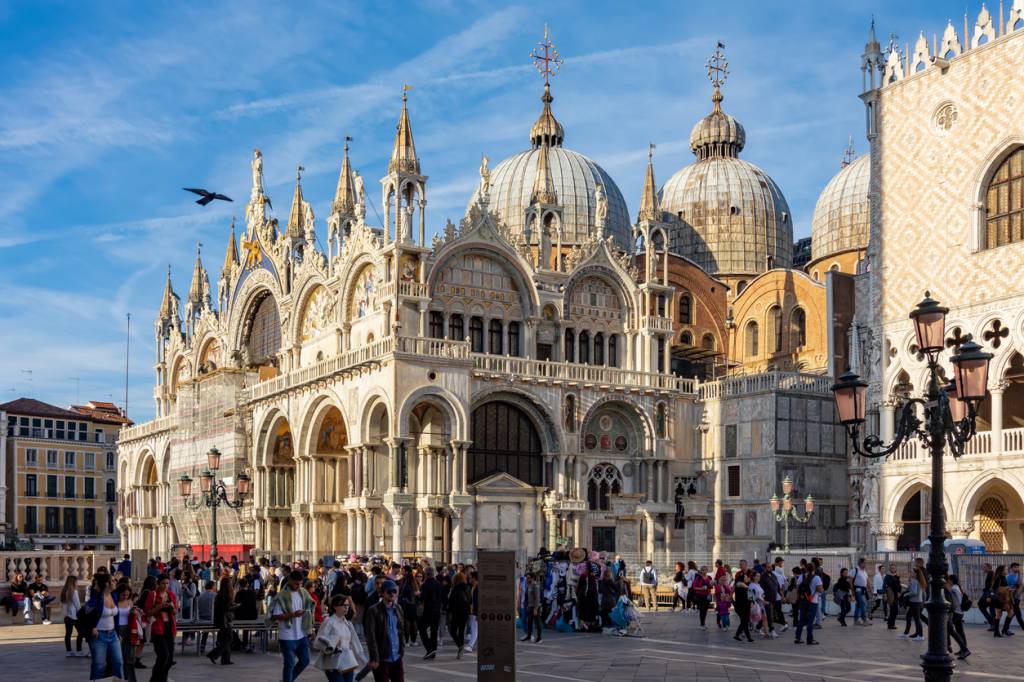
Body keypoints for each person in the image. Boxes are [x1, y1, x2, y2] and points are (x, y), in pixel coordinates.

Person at [269, 570, 316, 682]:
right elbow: (275, 616)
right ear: (290, 580)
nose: (298, 586)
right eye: (296, 583)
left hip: (302, 634)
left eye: (300, 584)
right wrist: (293, 615)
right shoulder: (282, 595)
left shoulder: (303, 592)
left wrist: (311, 629)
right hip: (287, 635)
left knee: (305, 661)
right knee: (289, 664)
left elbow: (309, 611)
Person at [81, 572, 124, 682]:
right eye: (113, 580)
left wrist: (118, 633)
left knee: (118, 662)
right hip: (99, 636)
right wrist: (92, 627)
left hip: (113, 634)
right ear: (106, 584)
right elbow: (83, 614)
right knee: (99, 665)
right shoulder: (96, 598)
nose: (115, 582)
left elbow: (116, 616)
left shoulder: (114, 595)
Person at [314, 595, 366, 682]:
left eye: (347, 605)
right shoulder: (329, 622)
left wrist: (364, 660)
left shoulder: (348, 624)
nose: (346, 607)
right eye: (343, 605)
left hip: (347, 661)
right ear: (335, 606)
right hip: (332, 663)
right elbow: (318, 642)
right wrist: (331, 643)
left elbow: (356, 643)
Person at [364, 579, 406, 681]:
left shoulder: (398, 608)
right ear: (382, 593)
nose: (392, 594)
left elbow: (401, 631)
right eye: (389, 592)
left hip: (396, 656)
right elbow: (371, 636)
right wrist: (374, 657)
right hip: (382, 658)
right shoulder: (373, 610)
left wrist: (402, 649)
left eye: (394, 591)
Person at [144, 573, 178, 682]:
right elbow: (148, 612)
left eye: (167, 583)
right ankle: (155, 679)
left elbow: (175, 612)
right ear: (158, 583)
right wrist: (159, 606)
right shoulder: (152, 595)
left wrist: (172, 607)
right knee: (163, 655)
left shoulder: (171, 595)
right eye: (163, 583)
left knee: (169, 659)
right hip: (157, 628)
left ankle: (162, 678)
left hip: (169, 627)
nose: (165, 586)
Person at [207, 575, 237, 665]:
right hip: (226, 621)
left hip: (220, 620)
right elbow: (227, 608)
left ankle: (225, 659)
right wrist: (235, 606)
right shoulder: (227, 596)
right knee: (229, 639)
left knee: (225, 640)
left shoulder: (219, 595)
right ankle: (214, 654)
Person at [115, 579, 140, 682]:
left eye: (127, 595)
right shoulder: (114, 602)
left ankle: (130, 679)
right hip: (118, 629)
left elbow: (135, 614)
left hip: (129, 630)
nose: (125, 597)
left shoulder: (129, 602)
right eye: (123, 595)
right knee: (118, 658)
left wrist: (134, 613)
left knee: (129, 658)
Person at [417, 567, 442, 660]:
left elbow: (422, 599)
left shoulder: (425, 585)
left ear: (426, 574)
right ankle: (433, 651)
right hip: (437, 611)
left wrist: (418, 595)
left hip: (428, 611)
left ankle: (429, 649)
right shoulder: (438, 584)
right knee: (434, 631)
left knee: (421, 628)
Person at [794, 563, 820, 645]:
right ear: (814, 569)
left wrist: (798, 598)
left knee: (801, 620)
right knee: (810, 621)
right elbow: (820, 590)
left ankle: (798, 638)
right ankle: (810, 639)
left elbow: (798, 588)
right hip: (812, 601)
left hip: (803, 601)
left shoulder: (801, 577)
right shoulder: (816, 578)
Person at [59, 575, 85, 657]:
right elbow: (77, 606)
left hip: (67, 616)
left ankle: (68, 651)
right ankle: (79, 650)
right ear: (73, 583)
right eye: (76, 582)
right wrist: (82, 614)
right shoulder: (74, 592)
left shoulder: (64, 591)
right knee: (81, 632)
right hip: (75, 616)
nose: (77, 583)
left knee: (68, 634)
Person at [448, 573, 471, 660]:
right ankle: (460, 652)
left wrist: (448, 610)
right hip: (465, 613)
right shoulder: (467, 588)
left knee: (453, 631)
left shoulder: (455, 589)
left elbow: (452, 602)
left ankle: (460, 645)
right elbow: (469, 600)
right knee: (461, 631)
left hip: (457, 613)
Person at [947, 575, 970, 660]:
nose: (947, 581)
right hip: (960, 612)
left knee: (952, 631)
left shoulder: (953, 589)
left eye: (948, 580)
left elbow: (958, 602)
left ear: (951, 580)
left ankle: (964, 649)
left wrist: (953, 608)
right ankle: (963, 649)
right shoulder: (957, 587)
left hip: (956, 612)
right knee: (959, 632)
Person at [900, 566, 926, 641]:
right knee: (909, 616)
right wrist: (906, 584)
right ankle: (907, 633)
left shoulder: (915, 580)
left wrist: (905, 595)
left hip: (915, 602)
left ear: (915, 574)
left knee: (916, 619)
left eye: (912, 572)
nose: (910, 573)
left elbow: (914, 592)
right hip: (917, 602)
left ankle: (920, 635)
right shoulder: (917, 580)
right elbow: (911, 589)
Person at [521, 572, 543, 643]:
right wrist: (527, 605)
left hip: (535, 607)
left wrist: (536, 609)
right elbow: (528, 597)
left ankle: (539, 638)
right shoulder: (529, 585)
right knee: (529, 622)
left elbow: (537, 598)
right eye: (526, 578)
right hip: (530, 606)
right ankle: (529, 636)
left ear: (532, 578)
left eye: (528, 578)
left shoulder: (535, 585)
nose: (527, 579)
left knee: (537, 623)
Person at [732, 571, 753, 643]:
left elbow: (751, 596)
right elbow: (739, 584)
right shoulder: (739, 584)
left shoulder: (749, 584)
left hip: (747, 606)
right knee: (745, 621)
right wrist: (747, 587)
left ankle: (737, 635)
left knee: (744, 621)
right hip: (740, 607)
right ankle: (749, 637)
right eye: (746, 576)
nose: (747, 577)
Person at [690, 566, 713, 630]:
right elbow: (694, 587)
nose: (705, 571)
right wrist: (701, 588)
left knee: (705, 610)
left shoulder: (709, 577)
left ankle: (703, 623)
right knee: (702, 610)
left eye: (706, 570)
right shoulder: (698, 578)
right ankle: (702, 624)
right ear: (701, 571)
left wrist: (711, 584)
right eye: (703, 570)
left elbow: (710, 586)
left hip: (707, 596)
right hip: (700, 596)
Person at [851, 558, 870, 625]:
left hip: (863, 590)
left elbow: (867, 580)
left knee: (858, 605)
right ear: (861, 563)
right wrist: (852, 591)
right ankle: (864, 619)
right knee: (862, 604)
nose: (865, 564)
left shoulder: (864, 571)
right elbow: (850, 581)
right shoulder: (855, 570)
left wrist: (869, 588)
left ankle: (856, 620)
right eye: (864, 563)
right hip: (857, 589)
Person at [883, 564, 902, 630]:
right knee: (893, 609)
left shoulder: (897, 576)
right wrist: (884, 594)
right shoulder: (887, 576)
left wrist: (899, 592)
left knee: (895, 610)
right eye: (891, 568)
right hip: (891, 594)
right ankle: (891, 624)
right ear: (890, 569)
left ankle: (890, 623)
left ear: (895, 569)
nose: (892, 569)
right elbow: (884, 585)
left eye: (894, 568)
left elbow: (899, 585)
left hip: (896, 595)